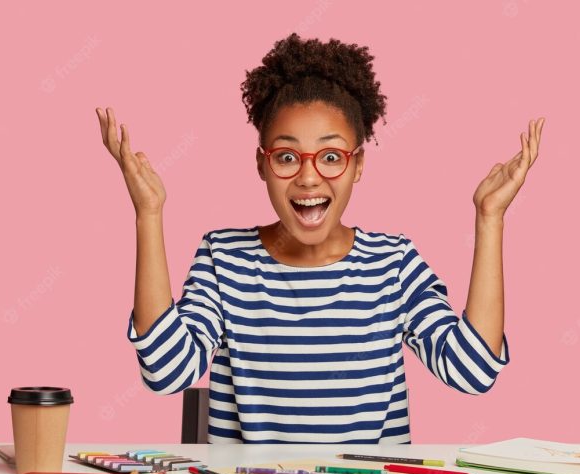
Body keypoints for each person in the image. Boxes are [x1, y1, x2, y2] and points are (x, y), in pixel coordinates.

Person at [95, 33, 544, 443]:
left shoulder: (393, 264)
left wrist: (490, 219)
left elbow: (474, 370)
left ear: (358, 165)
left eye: (331, 156)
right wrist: (148, 214)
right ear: (261, 164)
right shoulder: (223, 258)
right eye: (287, 156)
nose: (309, 177)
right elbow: (166, 371)